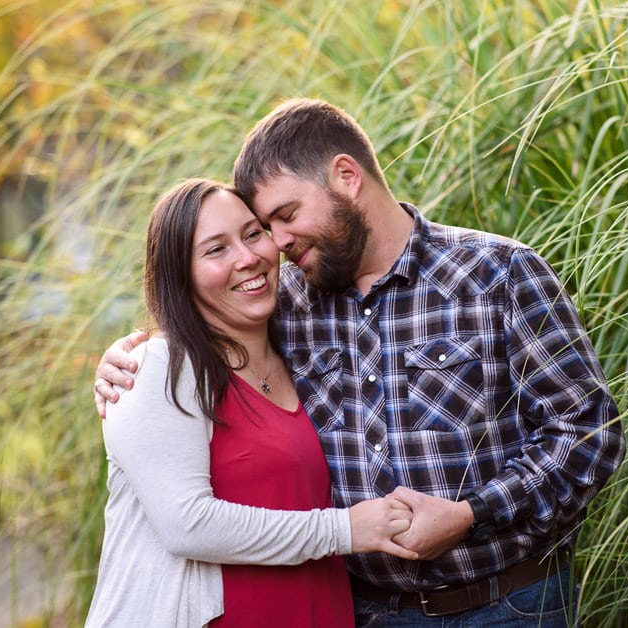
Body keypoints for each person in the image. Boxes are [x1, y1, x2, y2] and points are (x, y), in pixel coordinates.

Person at [95, 99, 625, 626]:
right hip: (369, 612)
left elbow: (588, 432)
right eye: (267, 227)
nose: (275, 245)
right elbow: (209, 327)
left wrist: (471, 515)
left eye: (285, 217)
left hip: (511, 604)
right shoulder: (289, 306)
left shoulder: (498, 274)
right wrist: (127, 359)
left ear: (346, 176)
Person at [85, 178, 417, 628]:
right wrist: (345, 530)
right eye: (215, 250)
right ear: (179, 275)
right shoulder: (159, 368)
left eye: (252, 233)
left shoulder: (302, 353)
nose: (247, 258)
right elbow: (188, 524)